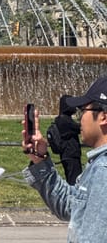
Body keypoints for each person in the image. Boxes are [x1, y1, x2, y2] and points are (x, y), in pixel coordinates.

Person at [22, 75, 107, 242]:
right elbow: (72, 206)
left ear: (103, 117)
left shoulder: (103, 170)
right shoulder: (99, 165)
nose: (80, 118)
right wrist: (40, 160)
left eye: (83, 111)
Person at [50, 94, 83, 185]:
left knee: (72, 178)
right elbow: (80, 128)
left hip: (68, 153)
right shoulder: (64, 120)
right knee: (74, 180)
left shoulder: (62, 119)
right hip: (70, 153)